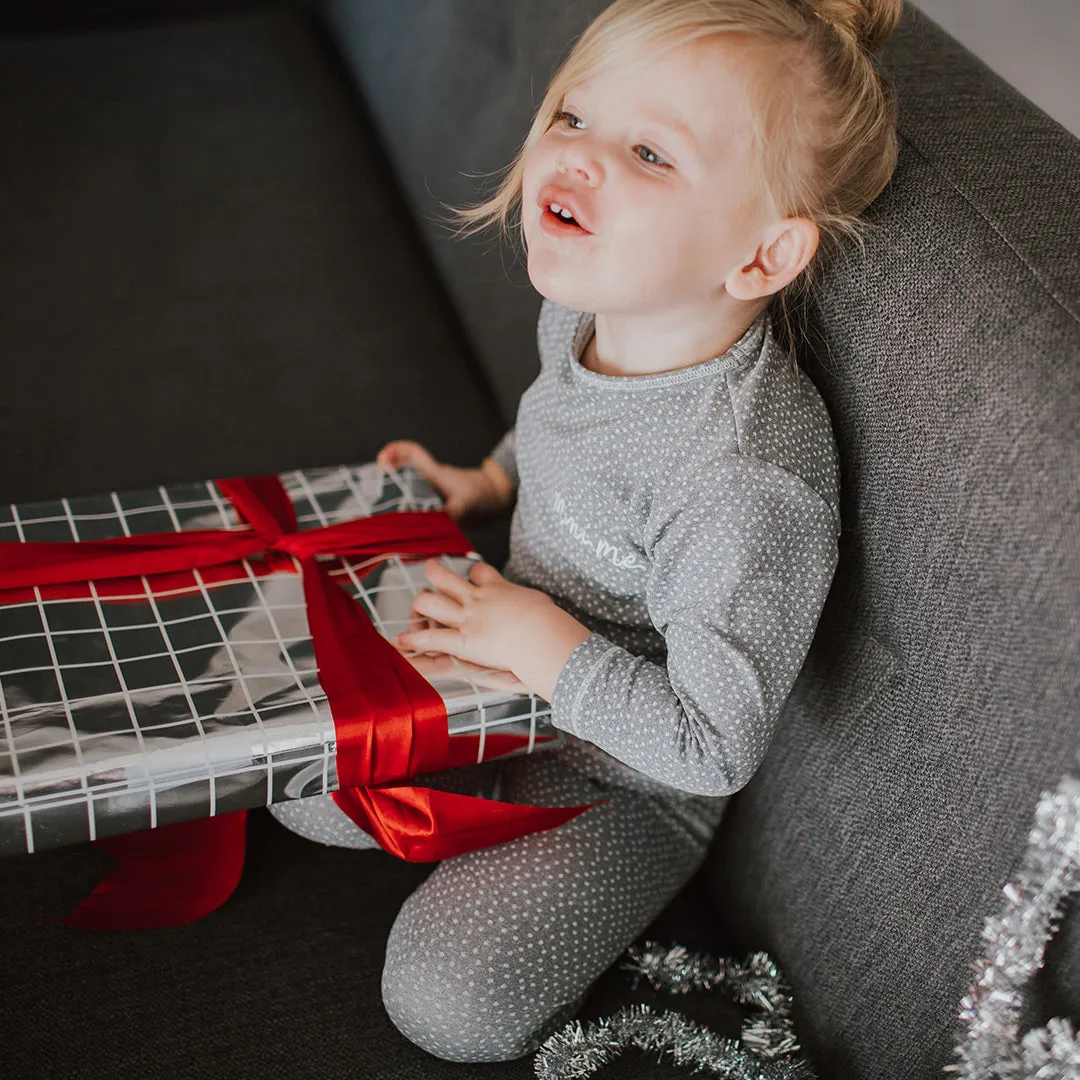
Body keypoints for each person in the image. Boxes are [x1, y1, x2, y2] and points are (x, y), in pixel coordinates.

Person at [271, 0, 902, 1062]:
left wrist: (545, 650)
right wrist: (485, 478)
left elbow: (712, 748)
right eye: (574, 115)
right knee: (301, 786)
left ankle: (522, 874)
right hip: (504, 682)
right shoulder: (589, 306)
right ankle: (456, 811)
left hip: (625, 781)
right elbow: (557, 420)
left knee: (447, 1007)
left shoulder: (745, 481)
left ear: (759, 256)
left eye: (649, 152)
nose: (579, 158)